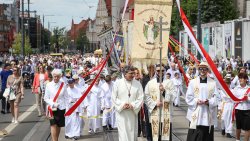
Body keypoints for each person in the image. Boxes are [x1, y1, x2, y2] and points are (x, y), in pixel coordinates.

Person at [186, 62, 219, 141]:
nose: (202, 70)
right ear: (198, 69)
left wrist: (209, 102)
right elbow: (188, 97)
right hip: (196, 112)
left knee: (206, 136)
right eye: (201, 68)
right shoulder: (193, 82)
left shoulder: (213, 83)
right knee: (194, 136)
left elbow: (217, 97)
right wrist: (197, 101)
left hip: (207, 113)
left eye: (204, 69)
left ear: (207, 70)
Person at [111, 65, 144, 141]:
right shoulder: (117, 83)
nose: (133, 75)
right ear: (125, 73)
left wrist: (132, 105)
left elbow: (141, 97)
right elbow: (113, 97)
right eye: (131, 73)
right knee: (123, 134)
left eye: (133, 73)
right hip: (122, 114)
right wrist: (123, 104)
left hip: (132, 113)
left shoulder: (137, 84)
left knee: (132, 133)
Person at [144, 64, 176, 141]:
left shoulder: (169, 82)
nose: (160, 72)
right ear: (155, 71)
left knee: (165, 135)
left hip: (166, 114)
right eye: (158, 70)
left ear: (164, 71)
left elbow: (173, 96)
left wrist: (164, 91)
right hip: (155, 112)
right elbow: (146, 96)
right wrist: (155, 103)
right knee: (155, 136)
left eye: (162, 70)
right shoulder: (150, 83)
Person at [44, 69, 68, 141]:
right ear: (52, 76)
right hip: (52, 108)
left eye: (58, 77)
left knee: (58, 125)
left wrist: (67, 108)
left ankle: (56, 139)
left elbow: (66, 97)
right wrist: (53, 104)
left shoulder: (63, 85)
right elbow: (46, 98)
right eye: (55, 76)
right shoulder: (48, 85)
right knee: (53, 125)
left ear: (60, 76)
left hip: (61, 107)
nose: (56, 78)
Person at [233, 72, 250, 141]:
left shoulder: (249, 88)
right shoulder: (236, 88)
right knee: (238, 127)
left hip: (247, 110)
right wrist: (239, 99)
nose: (240, 79)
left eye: (242, 78)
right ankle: (237, 140)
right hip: (238, 109)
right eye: (239, 78)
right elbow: (233, 98)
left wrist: (247, 98)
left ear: (246, 79)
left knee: (247, 128)